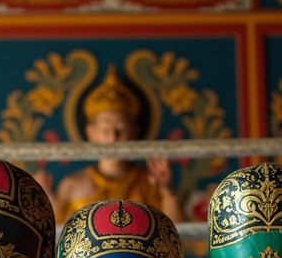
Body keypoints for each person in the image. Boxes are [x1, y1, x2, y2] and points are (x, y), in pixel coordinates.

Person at [35, 65, 185, 225]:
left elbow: (176, 233)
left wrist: (166, 191)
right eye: (105, 129)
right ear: (91, 133)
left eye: (121, 128)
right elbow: (59, 239)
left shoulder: (148, 183)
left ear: (134, 132)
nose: (113, 137)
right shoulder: (72, 184)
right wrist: (48, 200)